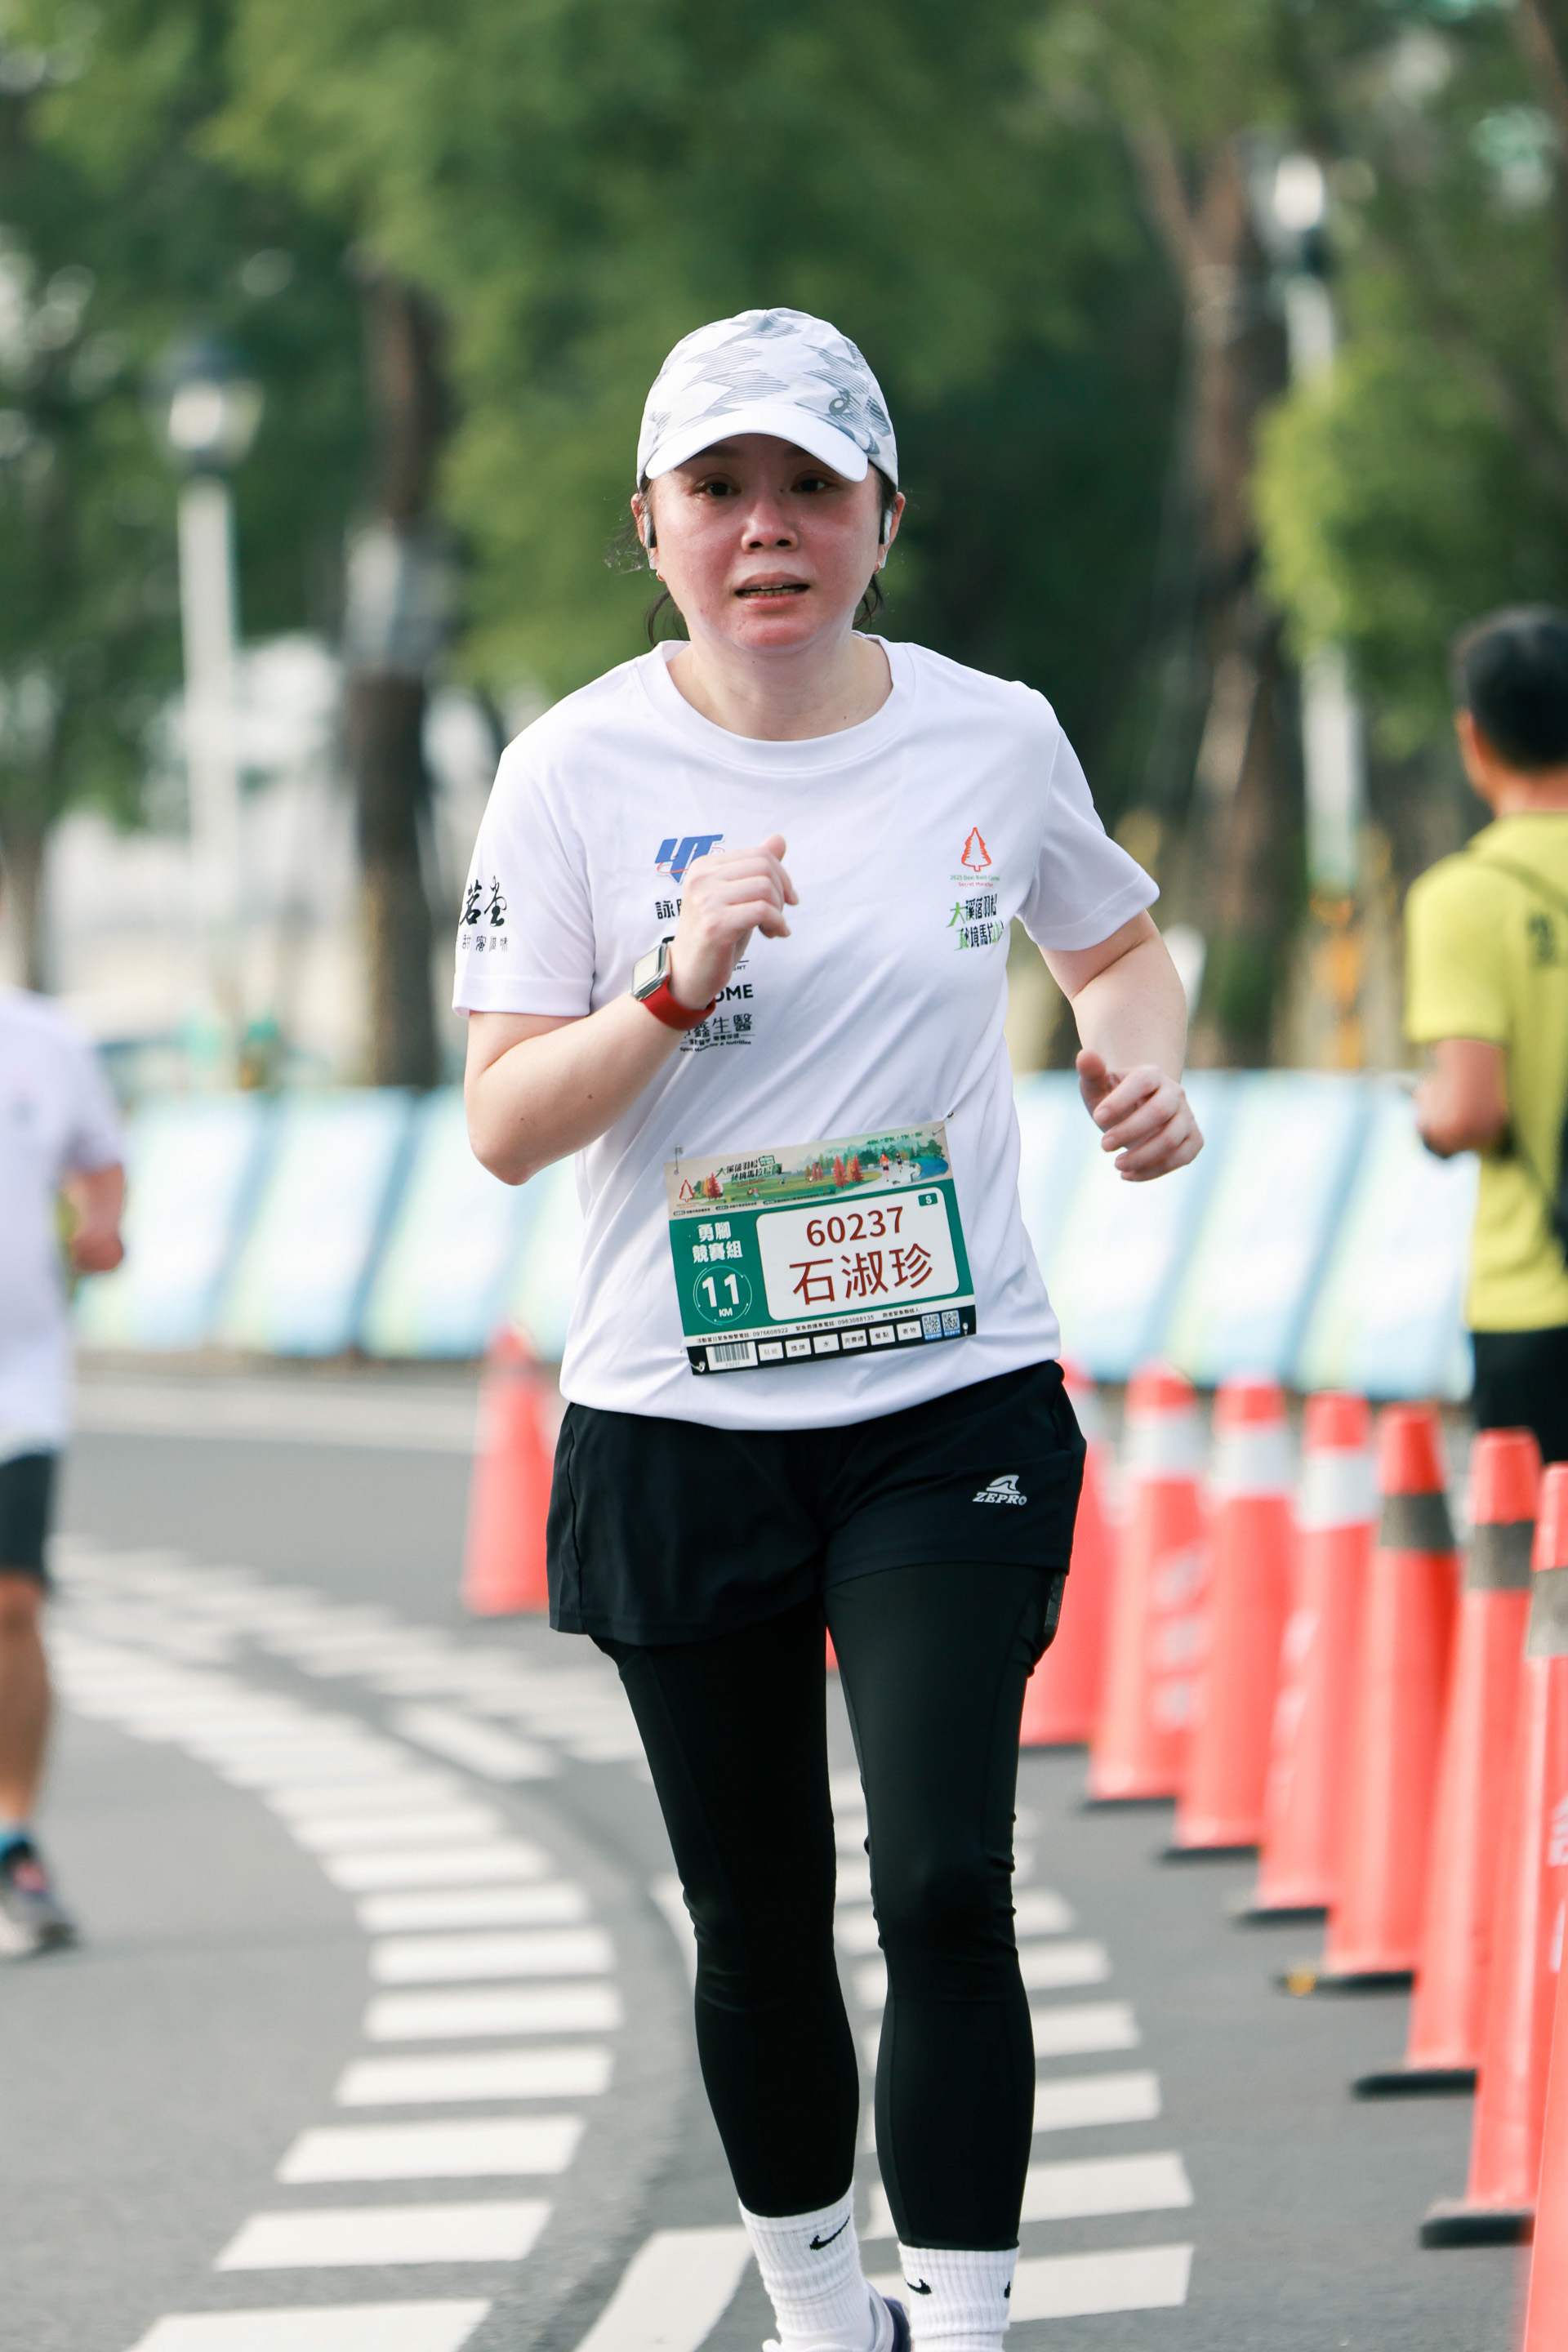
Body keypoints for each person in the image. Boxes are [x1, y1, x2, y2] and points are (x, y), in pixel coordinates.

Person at [457, 308, 1200, 2352]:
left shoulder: (992, 735)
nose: (766, 527)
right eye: (720, 489)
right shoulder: (572, 769)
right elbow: (507, 1124)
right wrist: (670, 986)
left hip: (945, 1402)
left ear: (884, 517)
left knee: (946, 1880)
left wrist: (1145, 1064)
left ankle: (956, 2325)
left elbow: (1118, 949)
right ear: (650, 525)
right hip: (676, 1422)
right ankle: (817, 2310)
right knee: (759, 1915)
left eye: (810, 486)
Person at [1408, 605, 1568, 1463]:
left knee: (1538, 1541)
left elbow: (1471, 1111)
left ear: (1474, 739)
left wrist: (1429, 1117)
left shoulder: (1461, 899)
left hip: (1536, 1297)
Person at [0, 855, 125, 1955]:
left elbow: (100, 1161)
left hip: (18, 1378)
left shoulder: (45, 1043)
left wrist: (100, 1221)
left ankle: (14, 1839)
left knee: (13, 1606)